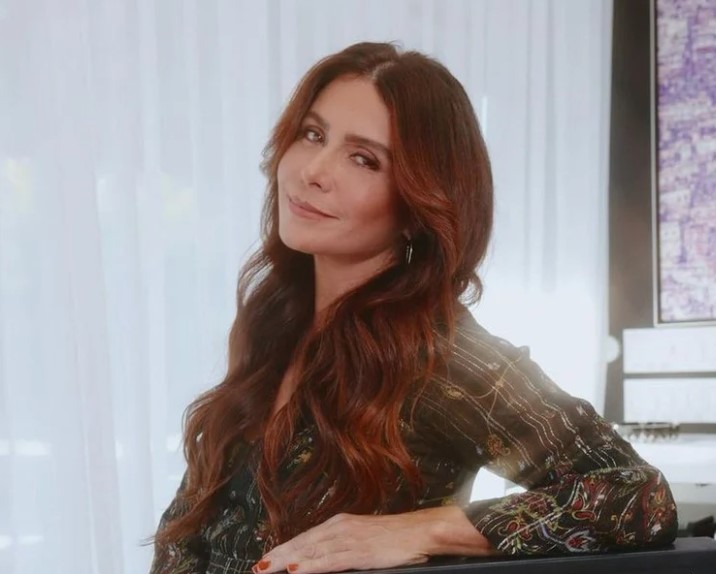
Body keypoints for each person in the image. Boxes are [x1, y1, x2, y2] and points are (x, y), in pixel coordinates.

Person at [149, 42, 677, 574]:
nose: (314, 170)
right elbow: (188, 534)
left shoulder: (441, 355)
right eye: (312, 135)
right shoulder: (273, 325)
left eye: (364, 159)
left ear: (416, 205)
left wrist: (419, 530)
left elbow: (635, 495)